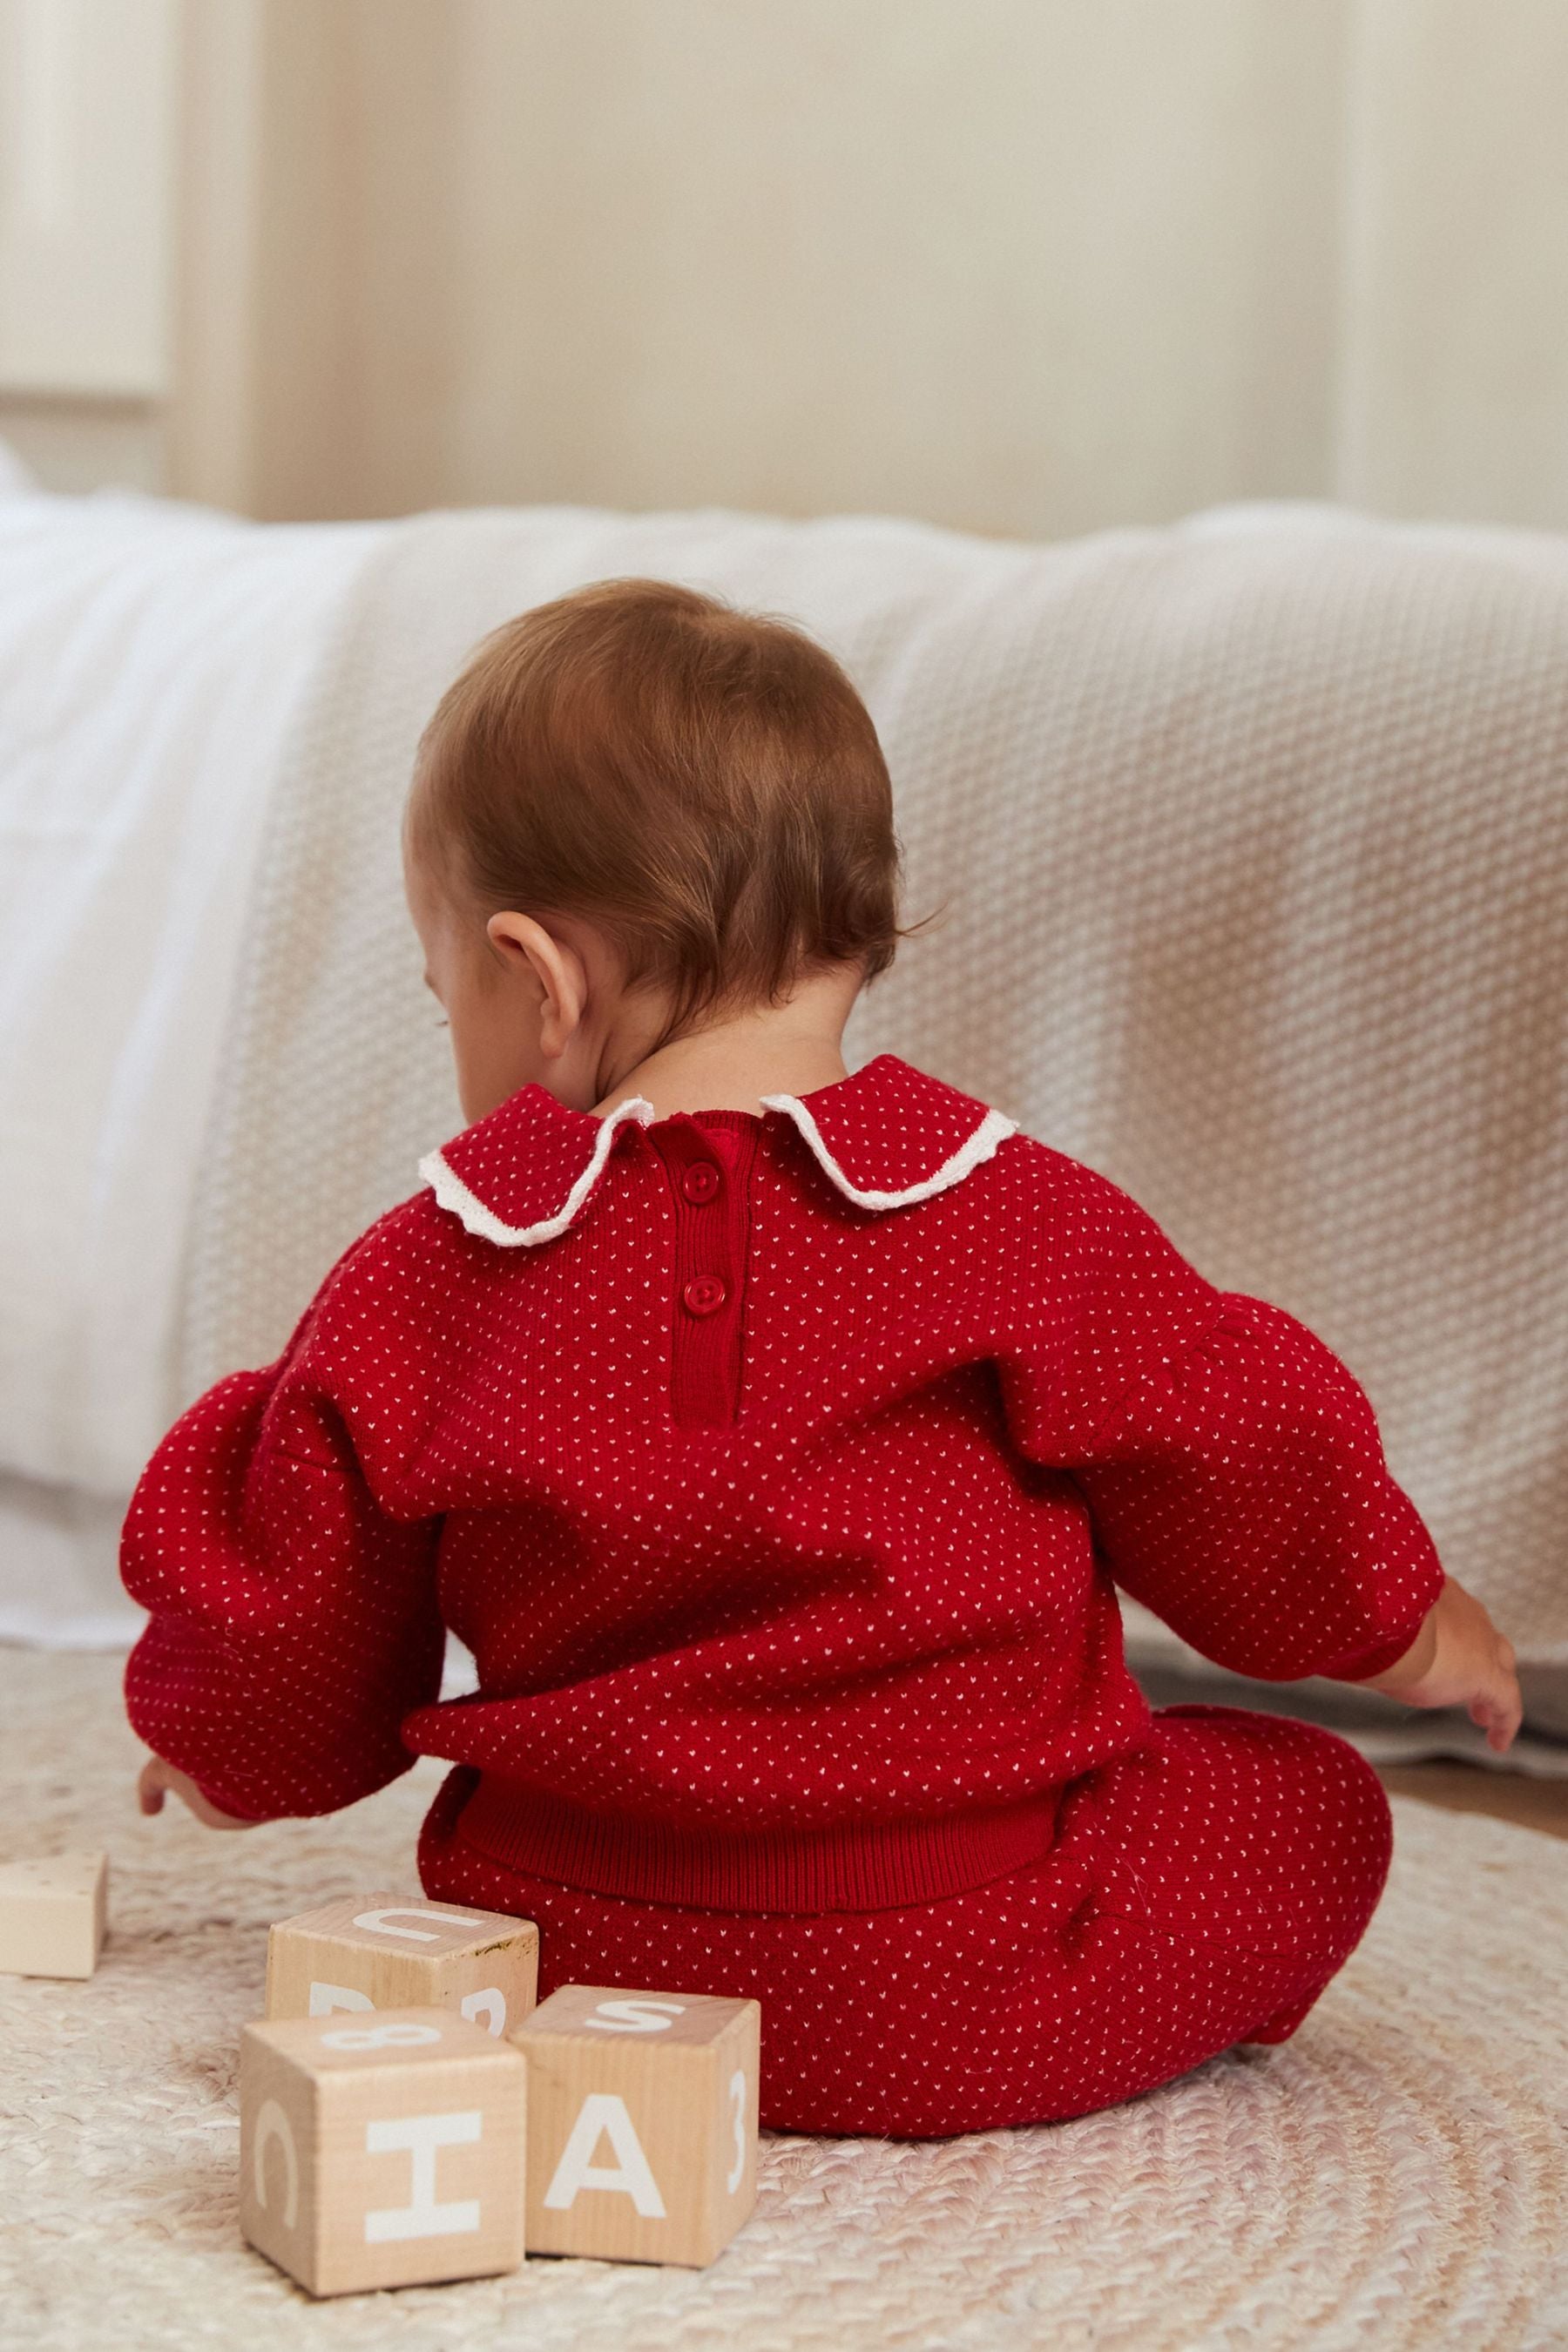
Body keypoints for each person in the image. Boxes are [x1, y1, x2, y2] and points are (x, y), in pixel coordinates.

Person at [122, 578, 1521, 2139]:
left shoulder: (423, 1277)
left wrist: (216, 1754)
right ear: (851, 939)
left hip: (570, 1969)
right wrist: (1407, 1631)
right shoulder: (1021, 1223)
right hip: (978, 1982)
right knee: (1308, 1801)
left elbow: (294, 1613)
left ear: (538, 977)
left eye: (440, 984)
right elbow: (1241, 1469)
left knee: (1260, 1797)